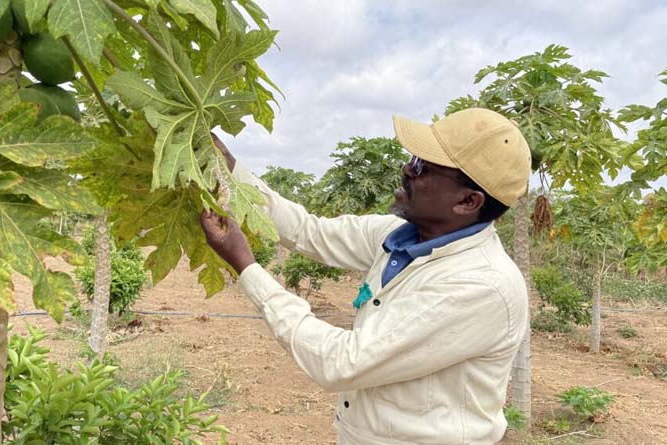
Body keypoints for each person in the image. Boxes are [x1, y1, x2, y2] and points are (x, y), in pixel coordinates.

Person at [200, 108, 531, 444]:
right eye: (412, 158)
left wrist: (246, 266)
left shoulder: (481, 285)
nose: (406, 169)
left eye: (422, 167)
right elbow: (307, 231)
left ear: (467, 201)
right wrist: (229, 166)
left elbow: (341, 362)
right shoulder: (399, 235)